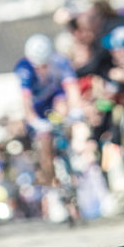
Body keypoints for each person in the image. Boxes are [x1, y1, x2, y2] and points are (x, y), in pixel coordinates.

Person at [14, 33, 82, 190]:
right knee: (44, 140)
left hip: (55, 99)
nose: (42, 69)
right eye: (39, 66)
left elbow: (71, 88)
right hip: (37, 107)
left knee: (63, 107)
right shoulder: (24, 68)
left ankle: (72, 150)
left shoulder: (60, 61)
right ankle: (50, 182)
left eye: (45, 65)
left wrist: (76, 110)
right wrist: (33, 120)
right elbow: (26, 100)